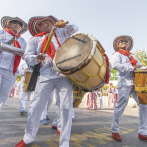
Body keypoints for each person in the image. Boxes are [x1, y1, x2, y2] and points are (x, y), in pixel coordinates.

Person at [16, 15, 79, 147]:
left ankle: (65, 142)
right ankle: (27, 137)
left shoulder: (61, 31)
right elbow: (27, 56)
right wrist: (36, 58)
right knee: (35, 106)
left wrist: (65, 25)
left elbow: (75, 28)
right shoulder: (34, 40)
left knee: (66, 108)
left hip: (64, 74)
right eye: (43, 23)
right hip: (46, 75)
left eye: (49, 22)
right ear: (38, 27)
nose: (48, 24)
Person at [111, 35, 147, 142]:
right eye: (122, 41)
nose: (124, 43)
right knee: (121, 106)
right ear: (117, 45)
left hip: (137, 83)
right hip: (125, 83)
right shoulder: (117, 54)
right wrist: (132, 67)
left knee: (144, 105)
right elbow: (115, 65)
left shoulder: (133, 56)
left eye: (126, 42)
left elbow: (140, 66)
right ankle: (115, 130)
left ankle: (143, 132)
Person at [0, 16, 28, 112]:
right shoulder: (1, 33)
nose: (17, 25)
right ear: (9, 24)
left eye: (20, 24)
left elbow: (26, 55)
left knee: (3, 96)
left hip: (11, 71)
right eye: (15, 22)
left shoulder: (23, 41)